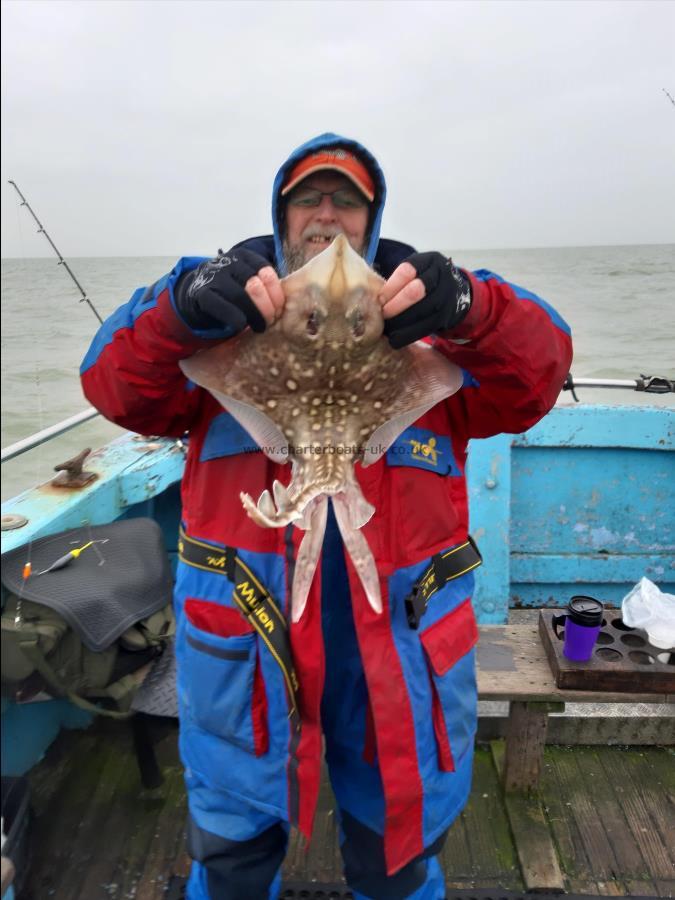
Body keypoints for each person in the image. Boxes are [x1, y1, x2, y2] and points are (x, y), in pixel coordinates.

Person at [81, 132, 573, 900]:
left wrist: (473, 307)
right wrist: (180, 310)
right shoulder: (222, 320)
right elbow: (116, 387)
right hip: (245, 644)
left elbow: (537, 376)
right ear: (280, 217)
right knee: (233, 857)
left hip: (398, 653)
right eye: (308, 197)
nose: (327, 214)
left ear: (372, 220)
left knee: (397, 855)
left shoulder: (430, 329)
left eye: (347, 199)